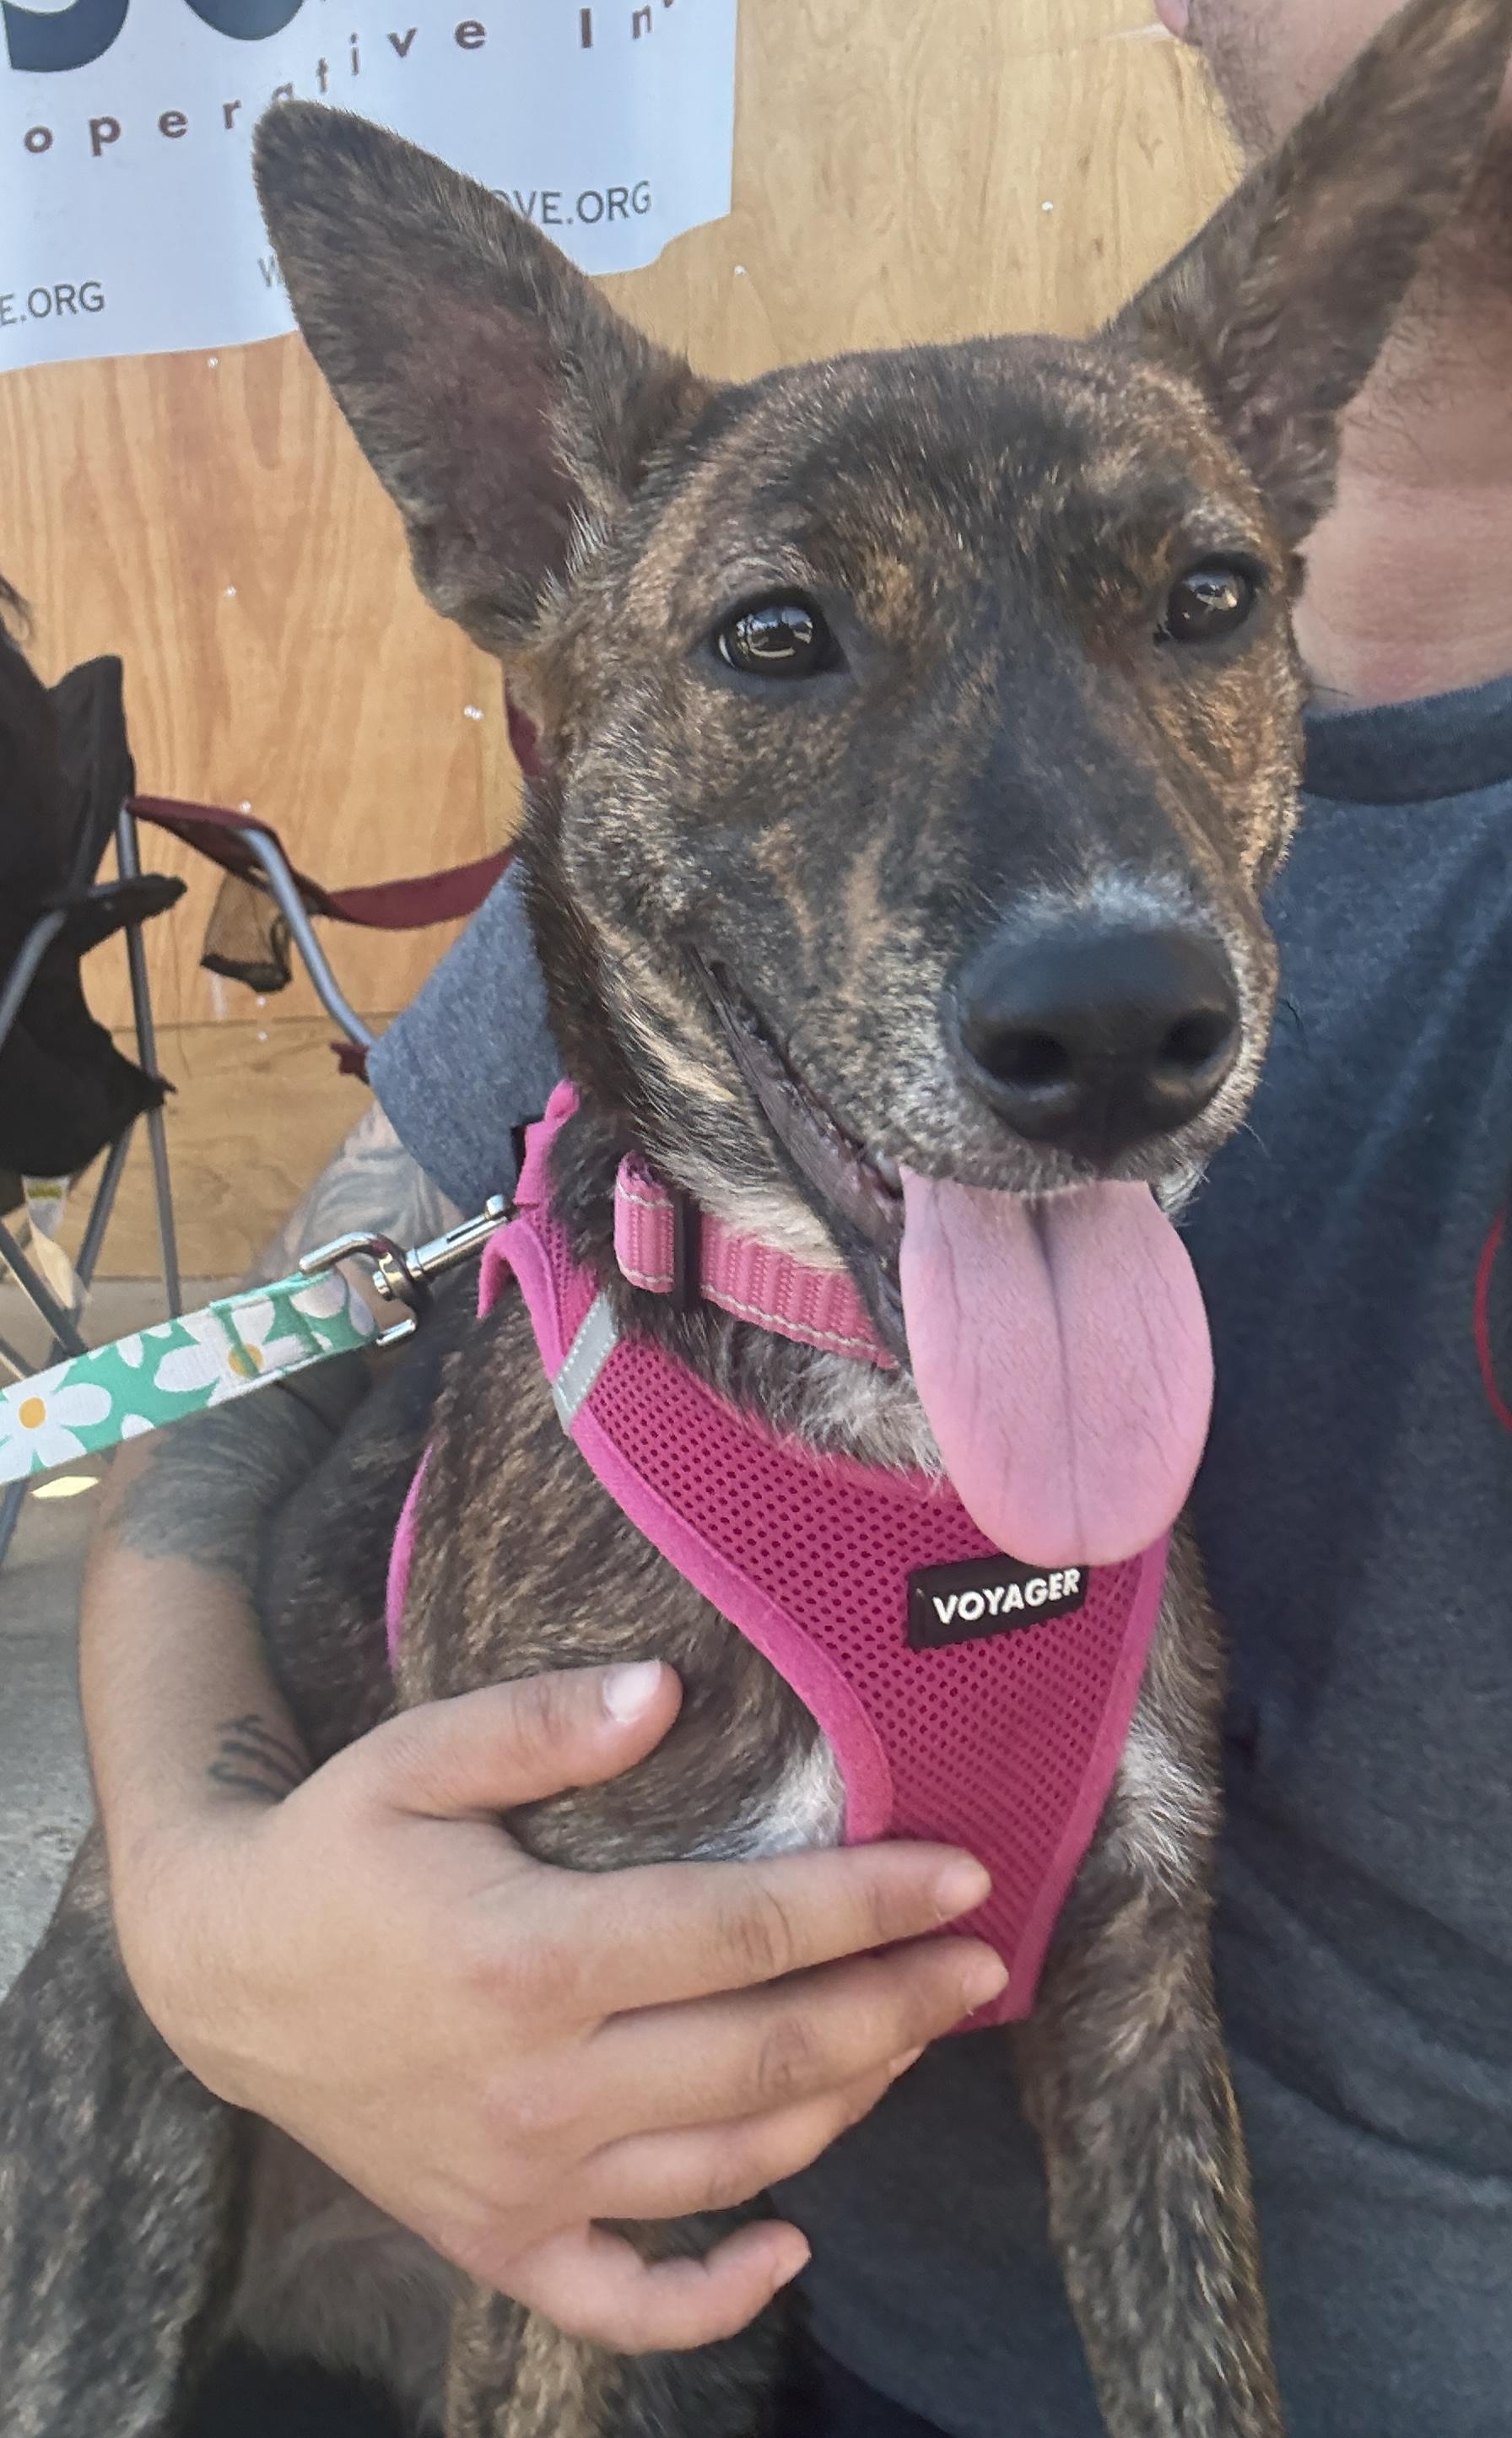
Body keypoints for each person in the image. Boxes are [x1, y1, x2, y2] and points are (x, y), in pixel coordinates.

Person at [78, 3, 1512, 2430]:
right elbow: (251, 1404)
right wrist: (199, 1918)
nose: (1093, 950)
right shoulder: (635, 949)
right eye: (780, 642)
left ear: (1275, 468)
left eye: (1188, 598)